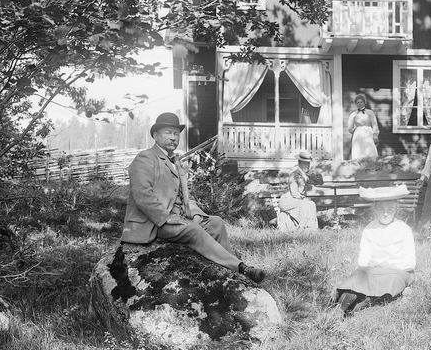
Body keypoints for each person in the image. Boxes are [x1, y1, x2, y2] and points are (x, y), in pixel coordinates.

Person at [122, 112, 266, 283]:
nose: (173, 137)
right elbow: (142, 194)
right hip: (153, 223)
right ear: (155, 135)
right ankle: (241, 268)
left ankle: (227, 274)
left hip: (176, 219)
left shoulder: (174, 162)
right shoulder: (145, 158)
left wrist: (196, 214)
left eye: (176, 134)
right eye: (168, 133)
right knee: (192, 229)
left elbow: (185, 197)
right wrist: (166, 217)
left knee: (216, 223)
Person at [332, 185, 416, 316]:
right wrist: (369, 263)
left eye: (390, 209)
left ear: (396, 210)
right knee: (359, 274)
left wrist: (392, 265)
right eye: (381, 209)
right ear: (375, 210)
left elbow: (410, 261)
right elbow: (363, 259)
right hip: (373, 269)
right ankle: (344, 300)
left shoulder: (404, 229)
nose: (385, 213)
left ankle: (363, 302)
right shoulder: (369, 229)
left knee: (391, 278)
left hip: (396, 270)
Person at [276, 150, 320, 231]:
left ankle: (310, 228)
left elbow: (320, 182)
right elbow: (294, 193)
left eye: (309, 163)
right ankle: (304, 228)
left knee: (311, 204)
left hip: (296, 200)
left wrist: (314, 173)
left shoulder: (305, 175)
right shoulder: (294, 175)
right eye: (306, 163)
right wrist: (304, 199)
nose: (308, 165)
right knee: (307, 204)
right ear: (300, 163)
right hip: (287, 200)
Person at [347, 95, 379, 160]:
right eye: (358, 102)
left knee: (370, 149)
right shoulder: (353, 114)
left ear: (364, 103)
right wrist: (356, 131)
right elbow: (350, 128)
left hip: (368, 132)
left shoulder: (370, 112)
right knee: (358, 150)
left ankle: (371, 163)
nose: (359, 104)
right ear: (356, 104)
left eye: (361, 102)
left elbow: (374, 125)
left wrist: (375, 135)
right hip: (358, 134)